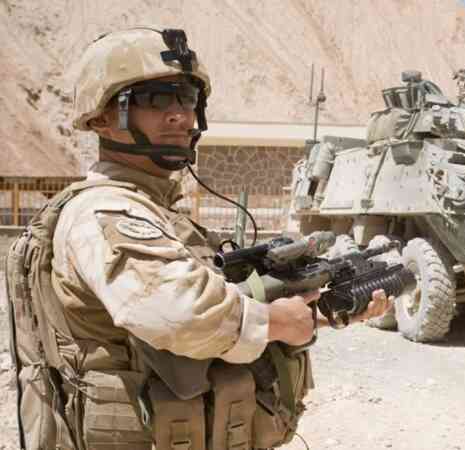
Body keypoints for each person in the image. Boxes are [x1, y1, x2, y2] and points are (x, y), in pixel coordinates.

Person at [5, 27, 391, 450]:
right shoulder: (106, 213)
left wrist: (325, 313)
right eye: (155, 99)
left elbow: (221, 315)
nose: (179, 115)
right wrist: (279, 322)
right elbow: (179, 313)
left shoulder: (157, 212)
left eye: (187, 99)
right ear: (101, 119)